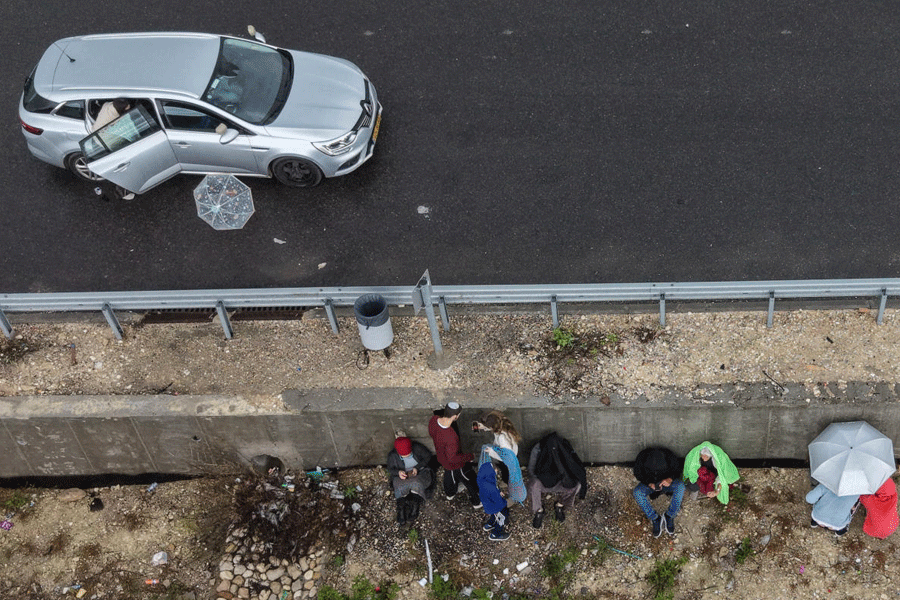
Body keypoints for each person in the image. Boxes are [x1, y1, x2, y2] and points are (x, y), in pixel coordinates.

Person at [527, 432, 587, 528]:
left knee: (577, 485)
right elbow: (531, 470)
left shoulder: (564, 448)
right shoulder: (538, 449)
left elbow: (575, 466)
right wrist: (544, 477)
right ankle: (539, 510)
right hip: (543, 481)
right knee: (533, 484)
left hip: (561, 480)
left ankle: (559, 505)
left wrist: (564, 477)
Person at [428, 402, 481, 508]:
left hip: (441, 457)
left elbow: (431, 433)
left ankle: (450, 493)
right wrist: (469, 456)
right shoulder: (451, 436)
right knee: (468, 478)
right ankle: (476, 502)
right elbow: (453, 458)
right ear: (455, 416)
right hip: (455, 463)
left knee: (449, 474)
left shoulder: (433, 420)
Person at [632, 446, 684, 538]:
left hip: (666, 484)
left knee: (681, 486)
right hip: (650, 484)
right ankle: (655, 518)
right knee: (637, 492)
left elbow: (678, 469)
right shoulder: (642, 456)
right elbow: (637, 473)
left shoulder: (669, 455)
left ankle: (670, 515)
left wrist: (670, 479)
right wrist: (649, 483)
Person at [90, 98, 136, 200]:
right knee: (121, 166)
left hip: (95, 137)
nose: (128, 109)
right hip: (103, 141)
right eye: (127, 108)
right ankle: (123, 192)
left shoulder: (108, 105)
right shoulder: (116, 118)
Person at [386, 436, 434, 525]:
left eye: (408, 455)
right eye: (403, 456)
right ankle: (401, 507)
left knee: (416, 483)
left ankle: (416, 504)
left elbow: (428, 456)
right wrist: (398, 472)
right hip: (403, 475)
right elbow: (390, 469)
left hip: (419, 472)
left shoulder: (417, 447)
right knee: (398, 485)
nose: (406, 457)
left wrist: (417, 467)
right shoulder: (392, 455)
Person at [473, 409, 522, 483]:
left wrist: (491, 452)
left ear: (493, 426)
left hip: (508, 462)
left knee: (507, 477)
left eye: (487, 427)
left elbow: (506, 457)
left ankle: (509, 485)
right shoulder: (502, 426)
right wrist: (481, 426)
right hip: (512, 454)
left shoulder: (502, 439)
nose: (485, 430)